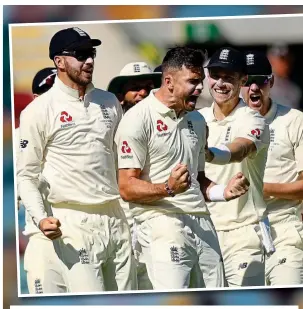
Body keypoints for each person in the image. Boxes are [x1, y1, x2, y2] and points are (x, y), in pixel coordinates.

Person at [115, 46, 250, 290]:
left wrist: (223, 192)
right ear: (168, 81)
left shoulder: (197, 120)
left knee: (219, 301)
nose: (200, 88)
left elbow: (198, 181)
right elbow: (126, 187)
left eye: (200, 81)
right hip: (161, 223)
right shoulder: (137, 119)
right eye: (193, 82)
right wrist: (168, 188)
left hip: (202, 222)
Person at [17, 27, 136, 294]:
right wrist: (40, 218)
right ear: (59, 62)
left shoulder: (108, 102)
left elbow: (121, 160)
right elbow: (26, 175)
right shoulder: (38, 110)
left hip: (115, 217)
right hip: (72, 220)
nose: (90, 61)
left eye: (91, 53)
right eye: (81, 55)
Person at [199, 47, 270, 287]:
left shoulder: (253, 118)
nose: (220, 83)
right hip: (204, 232)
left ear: (243, 80)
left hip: (243, 233)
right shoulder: (197, 118)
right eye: (215, 75)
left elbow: (242, 148)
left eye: (228, 77)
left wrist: (210, 153)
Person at [241, 50, 303, 285]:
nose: (254, 87)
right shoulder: (220, 122)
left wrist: (263, 188)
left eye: (261, 80)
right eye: (247, 81)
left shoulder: (294, 120)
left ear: (272, 81)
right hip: (238, 232)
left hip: (284, 227)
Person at [267, 44, 302, 110]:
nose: (285, 64)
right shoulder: (259, 85)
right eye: (281, 60)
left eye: (287, 60)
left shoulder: (294, 90)